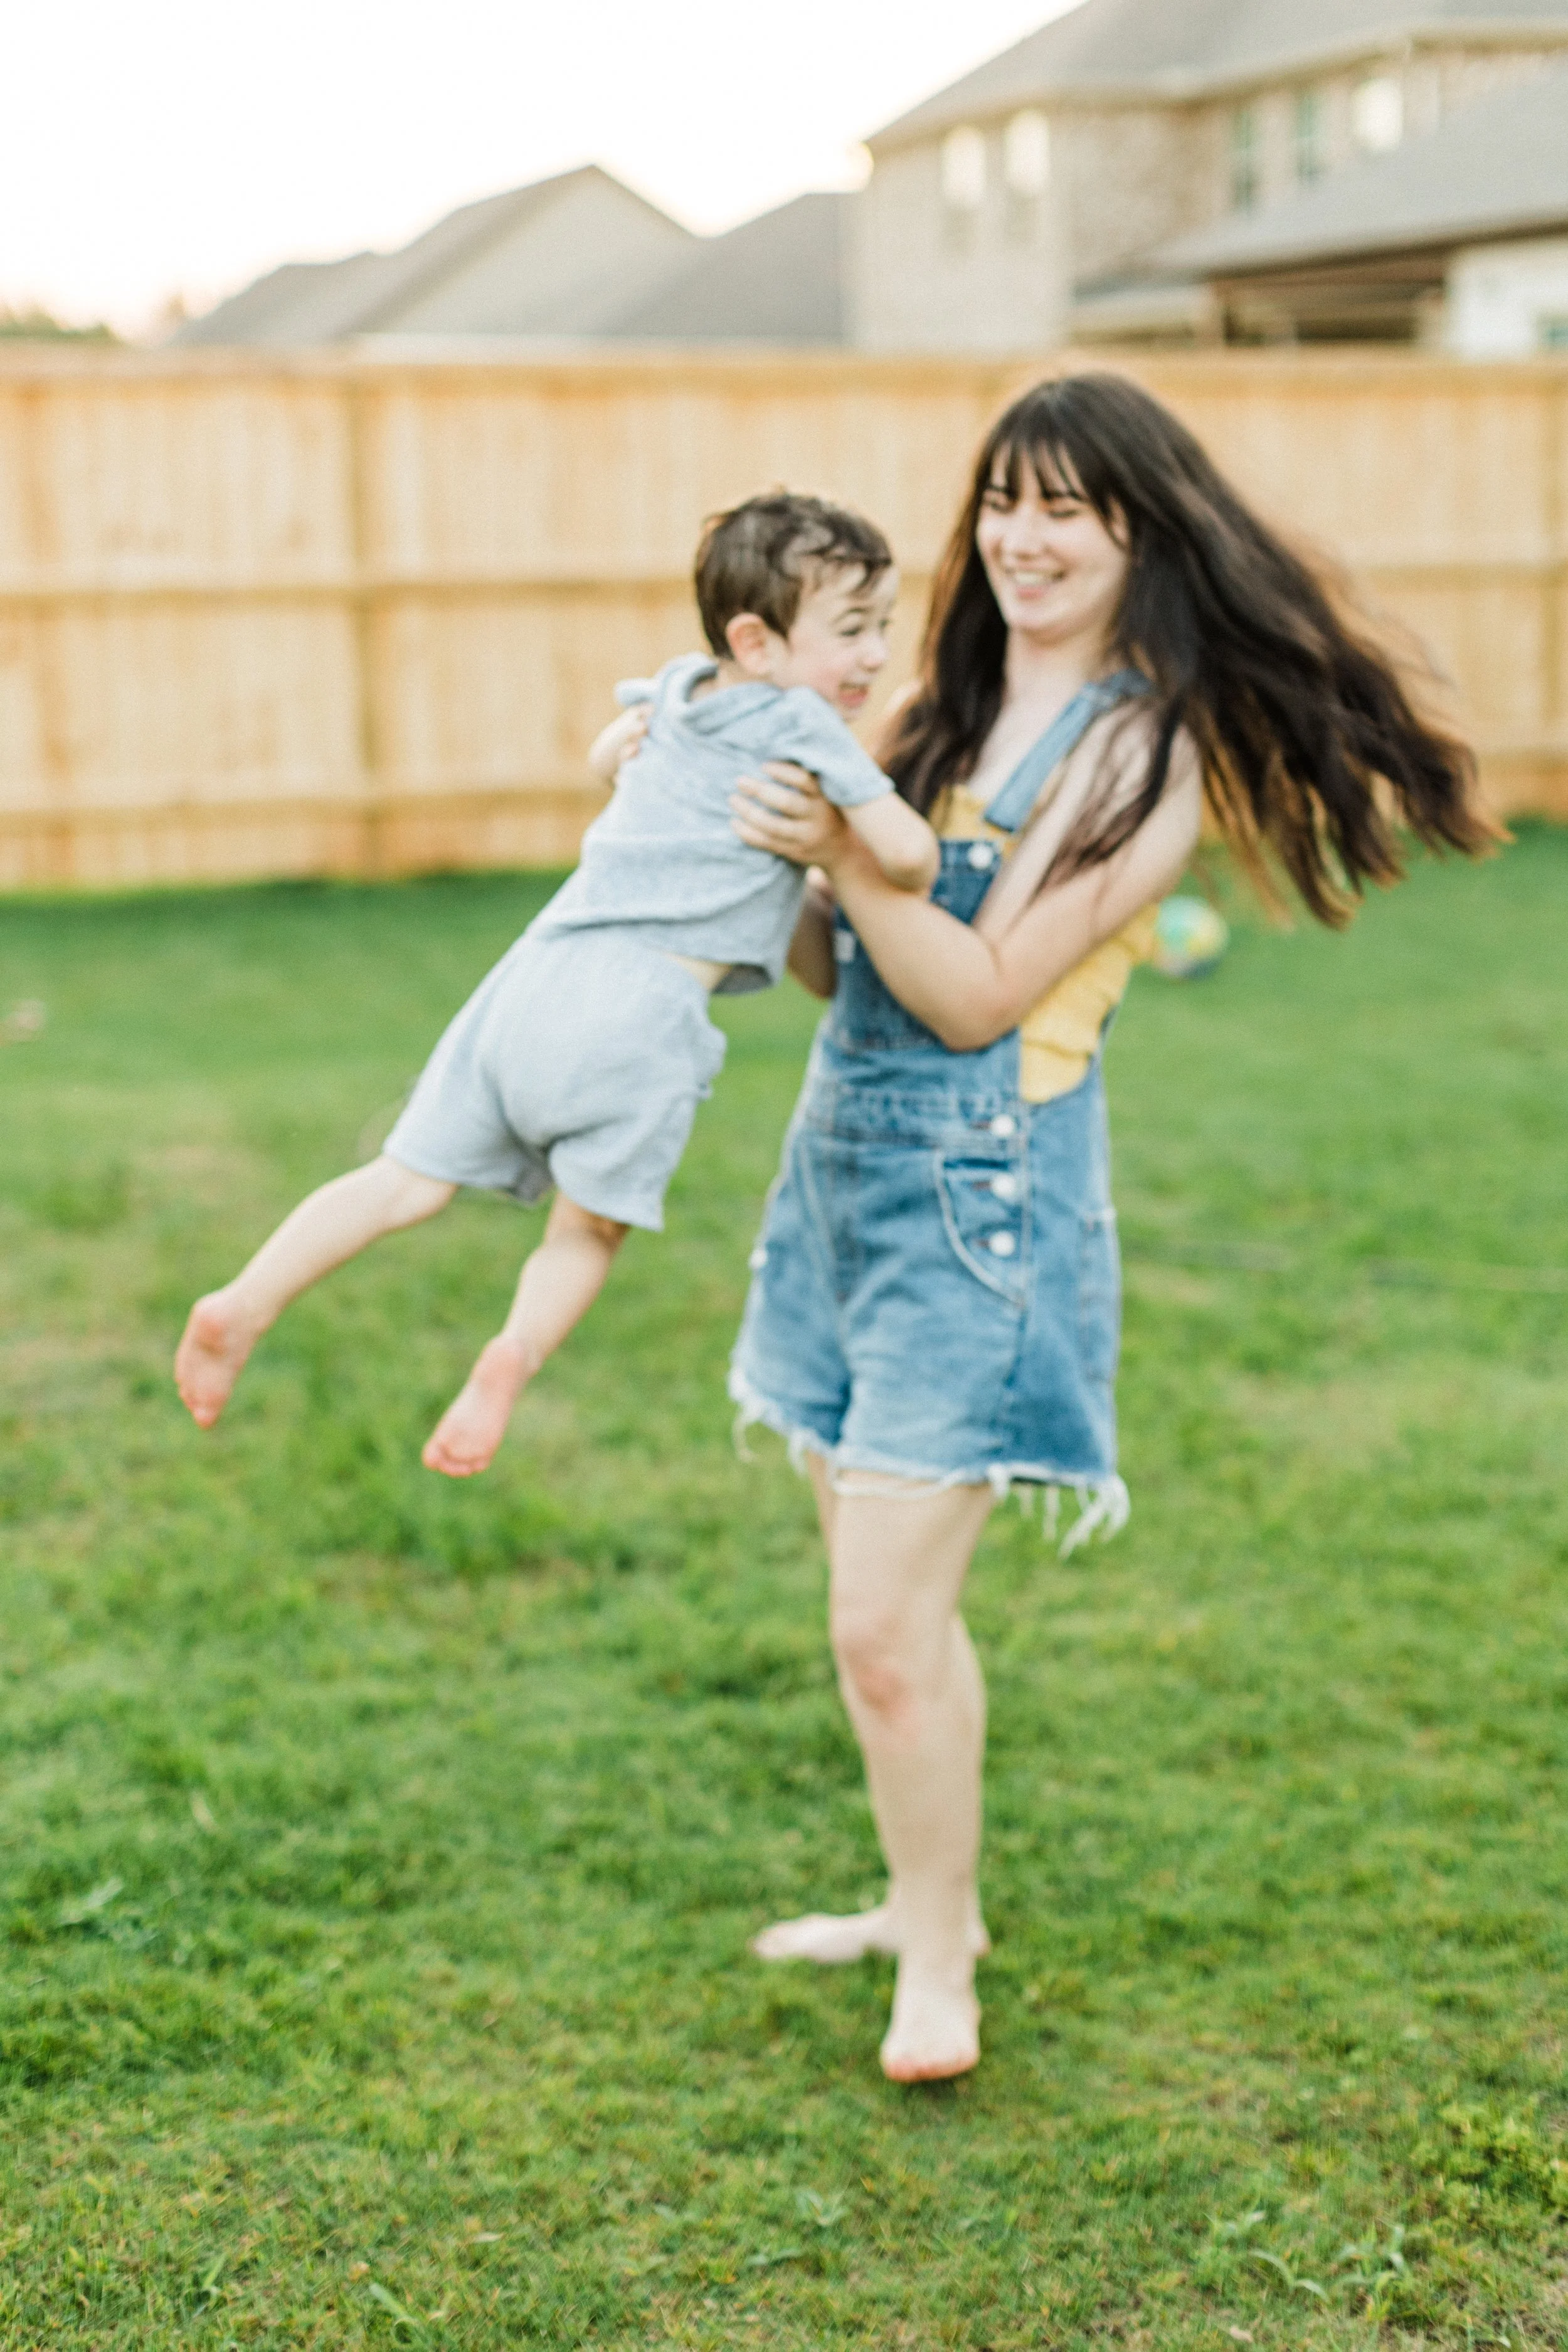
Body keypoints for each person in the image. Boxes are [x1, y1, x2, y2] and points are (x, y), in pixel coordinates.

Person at [719, 372, 1490, 2084]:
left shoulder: (1145, 752)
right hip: (841, 1181)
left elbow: (981, 995)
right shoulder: (935, 710)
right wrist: (768, 841)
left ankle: (938, 1958)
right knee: (886, 1610)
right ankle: (932, 1899)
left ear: (1141, 527)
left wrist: (841, 857)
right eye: (1004, 499)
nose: (1021, 535)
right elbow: (838, 975)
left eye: (1065, 504)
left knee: (876, 1618)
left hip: (982, 1214)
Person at [173, 494, 937, 1473]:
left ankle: (244, 1302)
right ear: (758, 641)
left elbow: (606, 754)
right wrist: (854, 837)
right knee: (584, 1237)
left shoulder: (677, 689)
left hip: (534, 977)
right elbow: (910, 857)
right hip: (645, 1014)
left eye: (884, 628)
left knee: (403, 1180)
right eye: (854, 630)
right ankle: (508, 1361)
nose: (877, 655)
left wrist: (625, 757)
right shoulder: (800, 721)